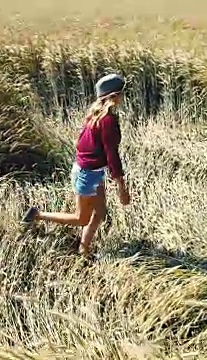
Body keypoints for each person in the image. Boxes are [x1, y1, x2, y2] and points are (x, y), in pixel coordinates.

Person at [20, 73, 131, 260]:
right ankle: (36, 215)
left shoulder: (96, 114)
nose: (123, 98)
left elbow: (85, 146)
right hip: (87, 175)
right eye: (121, 94)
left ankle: (83, 251)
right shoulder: (107, 121)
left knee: (100, 213)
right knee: (82, 218)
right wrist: (121, 187)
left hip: (90, 171)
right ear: (114, 96)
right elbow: (112, 155)